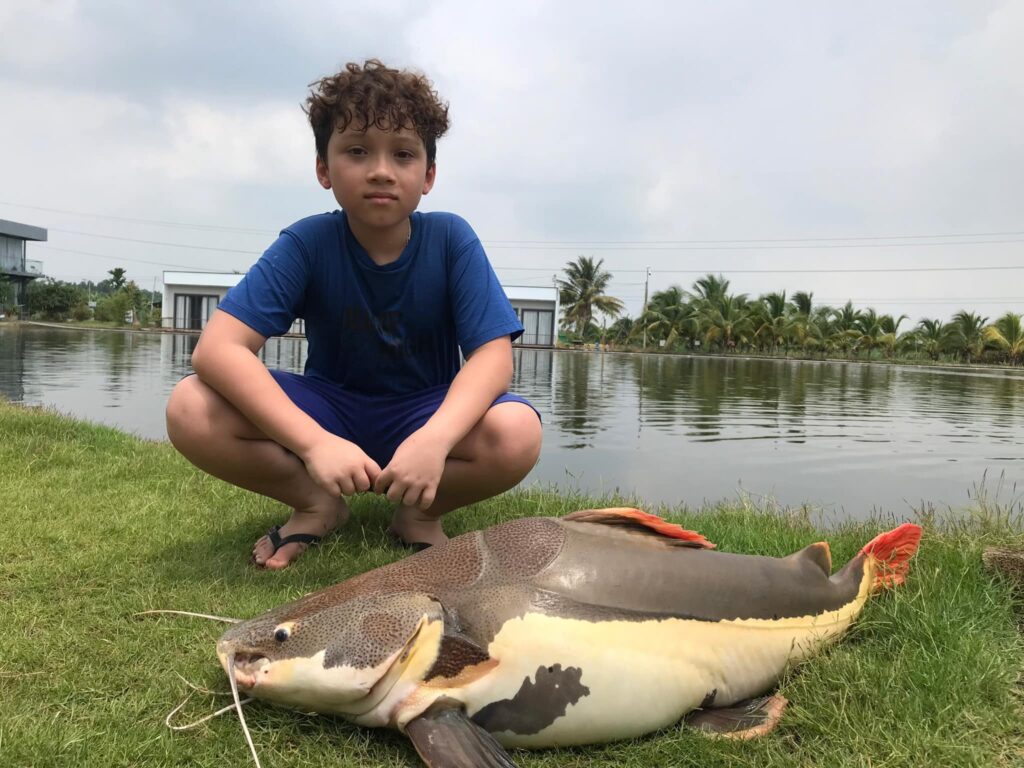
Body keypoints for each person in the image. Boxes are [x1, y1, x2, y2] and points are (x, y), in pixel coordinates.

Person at [165, 59, 542, 569]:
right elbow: (218, 349)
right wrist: (315, 443)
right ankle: (317, 502)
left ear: (428, 175)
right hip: (329, 407)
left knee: (517, 431)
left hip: (422, 409)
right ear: (324, 168)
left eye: (403, 154)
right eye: (357, 150)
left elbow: (493, 359)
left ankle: (420, 514)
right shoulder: (307, 242)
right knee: (190, 407)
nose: (381, 169)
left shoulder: (452, 239)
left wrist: (436, 437)